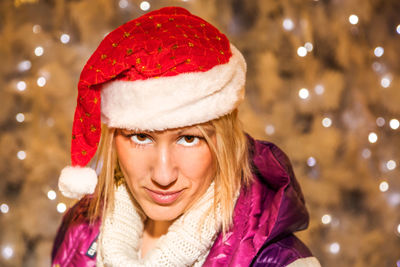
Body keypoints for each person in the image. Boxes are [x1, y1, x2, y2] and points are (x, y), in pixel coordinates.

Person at [51, 6, 321, 267]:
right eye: (141, 137)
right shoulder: (78, 232)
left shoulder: (281, 263)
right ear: (113, 138)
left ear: (224, 141)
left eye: (189, 139)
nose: (163, 176)